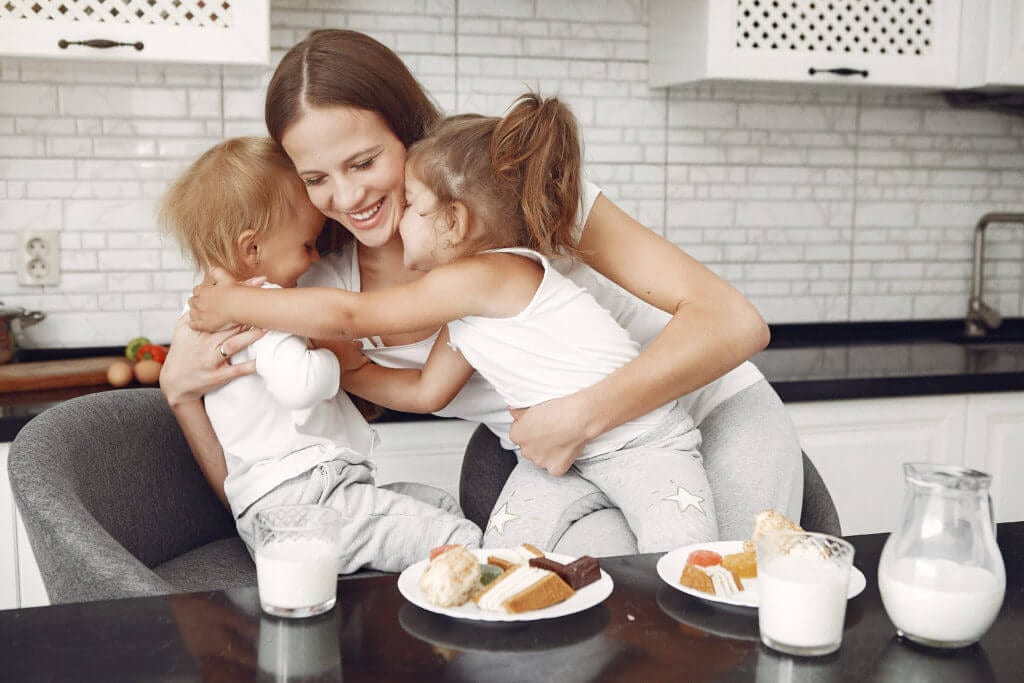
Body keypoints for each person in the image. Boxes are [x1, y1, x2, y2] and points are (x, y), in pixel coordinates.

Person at [159, 29, 802, 556]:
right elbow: (265, 469)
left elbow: (733, 322)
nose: (348, 198)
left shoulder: (516, 199)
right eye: (317, 178)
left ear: (407, 133)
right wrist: (180, 392)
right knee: (592, 611)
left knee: (714, 611)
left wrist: (583, 415)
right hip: (576, 465)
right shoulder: (320, 290)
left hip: (704, 416)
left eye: (363, 163)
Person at [159, 136, 481, 573]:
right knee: (457, 538)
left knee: (438, 504)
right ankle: (486, 624)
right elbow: (300, 385)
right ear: (252, 249)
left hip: (296, 503)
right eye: (307, 245)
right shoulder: (258, 307)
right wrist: (335, 354)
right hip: (304, 505)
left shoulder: (208, 309)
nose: (313, 260)